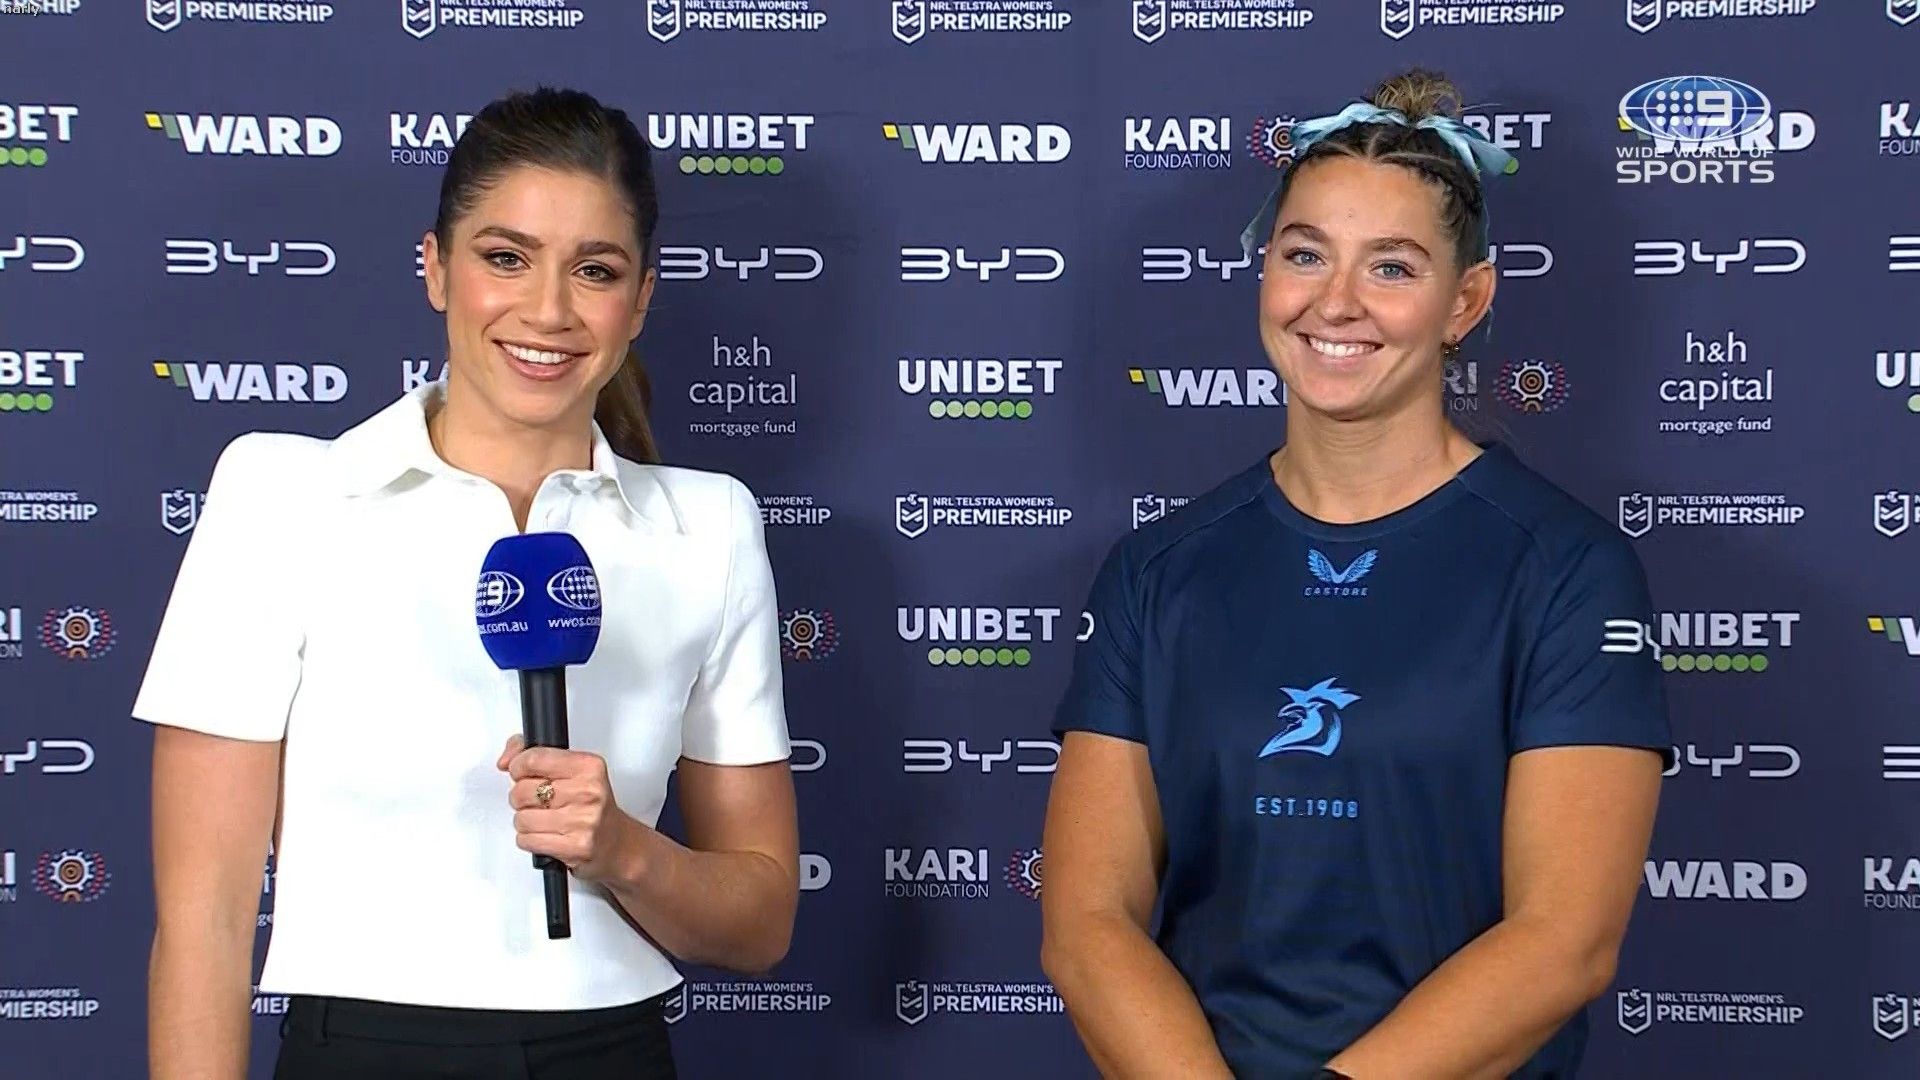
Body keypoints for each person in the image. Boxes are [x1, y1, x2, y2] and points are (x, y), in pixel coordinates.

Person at [134, 87, 799, 1080]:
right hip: (361, 1053)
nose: (549, 310)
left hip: (613, 1051)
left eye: (595, 270)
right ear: (436, 268)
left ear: (640, 300)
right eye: (506, 257)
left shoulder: (710, 526)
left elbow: (760, 922)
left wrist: (625, 850)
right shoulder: (280, 494)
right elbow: (206, 923)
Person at [1040, 69, 1670, 1079]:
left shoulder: (1566, 571)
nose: (1335, 303)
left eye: (1391, 267)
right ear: (1264, 274)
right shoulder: (1156, 571)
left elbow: (1563, 942)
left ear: (1466, 301)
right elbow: (1087, 923)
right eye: (1305, 255)